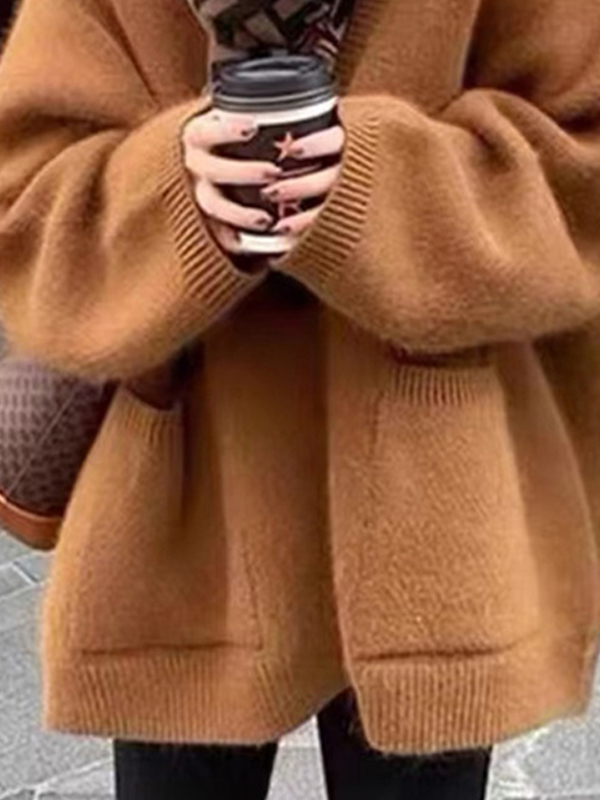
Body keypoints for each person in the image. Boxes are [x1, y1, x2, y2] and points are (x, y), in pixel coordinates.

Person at [0, 0, 599, 797]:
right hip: (183, 519)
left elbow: (581, 176)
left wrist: (369, 183)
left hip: (438, 511)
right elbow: (24, 199)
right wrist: (177, 194)